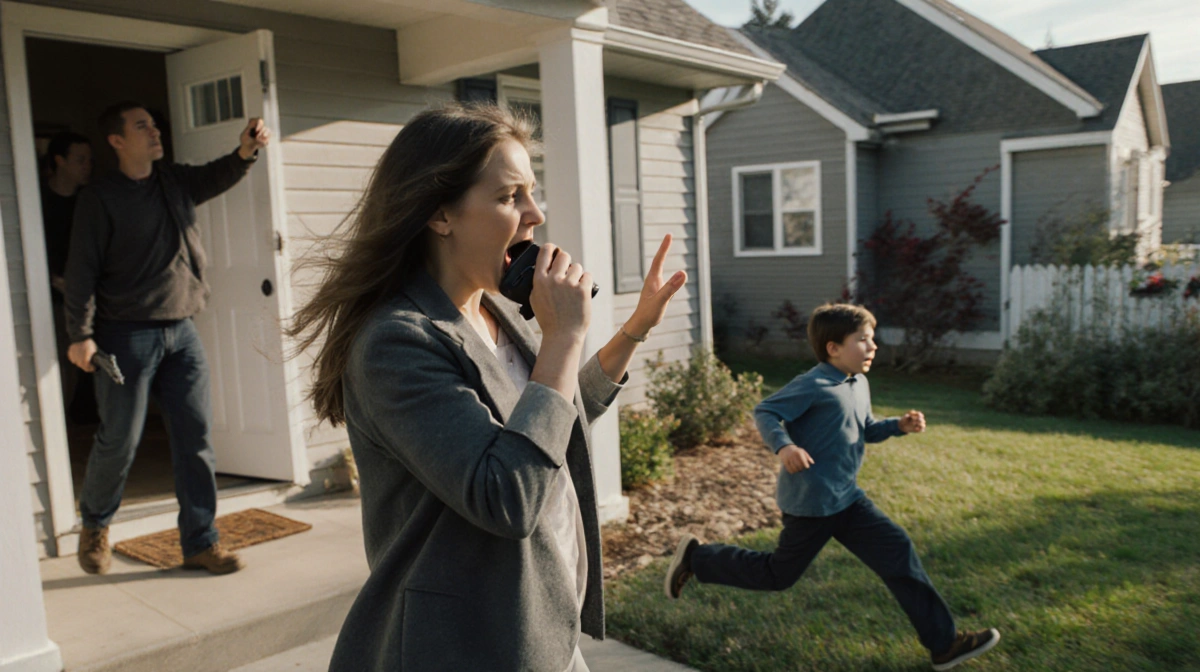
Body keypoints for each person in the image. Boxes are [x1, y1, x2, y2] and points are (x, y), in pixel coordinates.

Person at [286, 103, 687, 672]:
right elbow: (507, 495)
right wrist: (563, 338)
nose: (536, 214)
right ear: (441, 214)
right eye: (509, 197)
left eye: (531, 192)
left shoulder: (496, 313)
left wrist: (631, 331)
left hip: (538, 627)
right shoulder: (396, 343)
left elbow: (546, 425)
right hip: (464, 643)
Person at [664, 303, 1000, 671]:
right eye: (863, 340)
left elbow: (866, 428)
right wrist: (785, 445)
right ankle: (697, 558)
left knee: (898, 552)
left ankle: (945, 645)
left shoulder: (859, 383)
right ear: (833, 348)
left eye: (873, 339)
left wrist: (897, 426)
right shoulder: (814, 384)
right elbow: (766, 411)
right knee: (778, 575)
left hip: (848, 500)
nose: (873, 347)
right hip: (811, 506)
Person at [64, 101, 271, 576]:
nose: (155, 132)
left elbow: (218, 175)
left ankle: (200, 542)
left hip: (183, 331)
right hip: (124, 335)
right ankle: (95, 525)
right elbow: (82, 271)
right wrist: (81, 335)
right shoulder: (101, 198)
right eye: (142, 127)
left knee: (196, 438)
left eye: (154, 125)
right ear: (117, 141)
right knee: (119, 439)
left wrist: (245, 151)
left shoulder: (173, 181)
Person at [41, 131, 96, 423]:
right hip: (52, 297)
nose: (87, 166)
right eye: (80, 160)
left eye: (89, 160)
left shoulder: (90, 202)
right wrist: (51, 279)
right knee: (59, 368)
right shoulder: (38, 201)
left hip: (88, 296)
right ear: (60, 161)